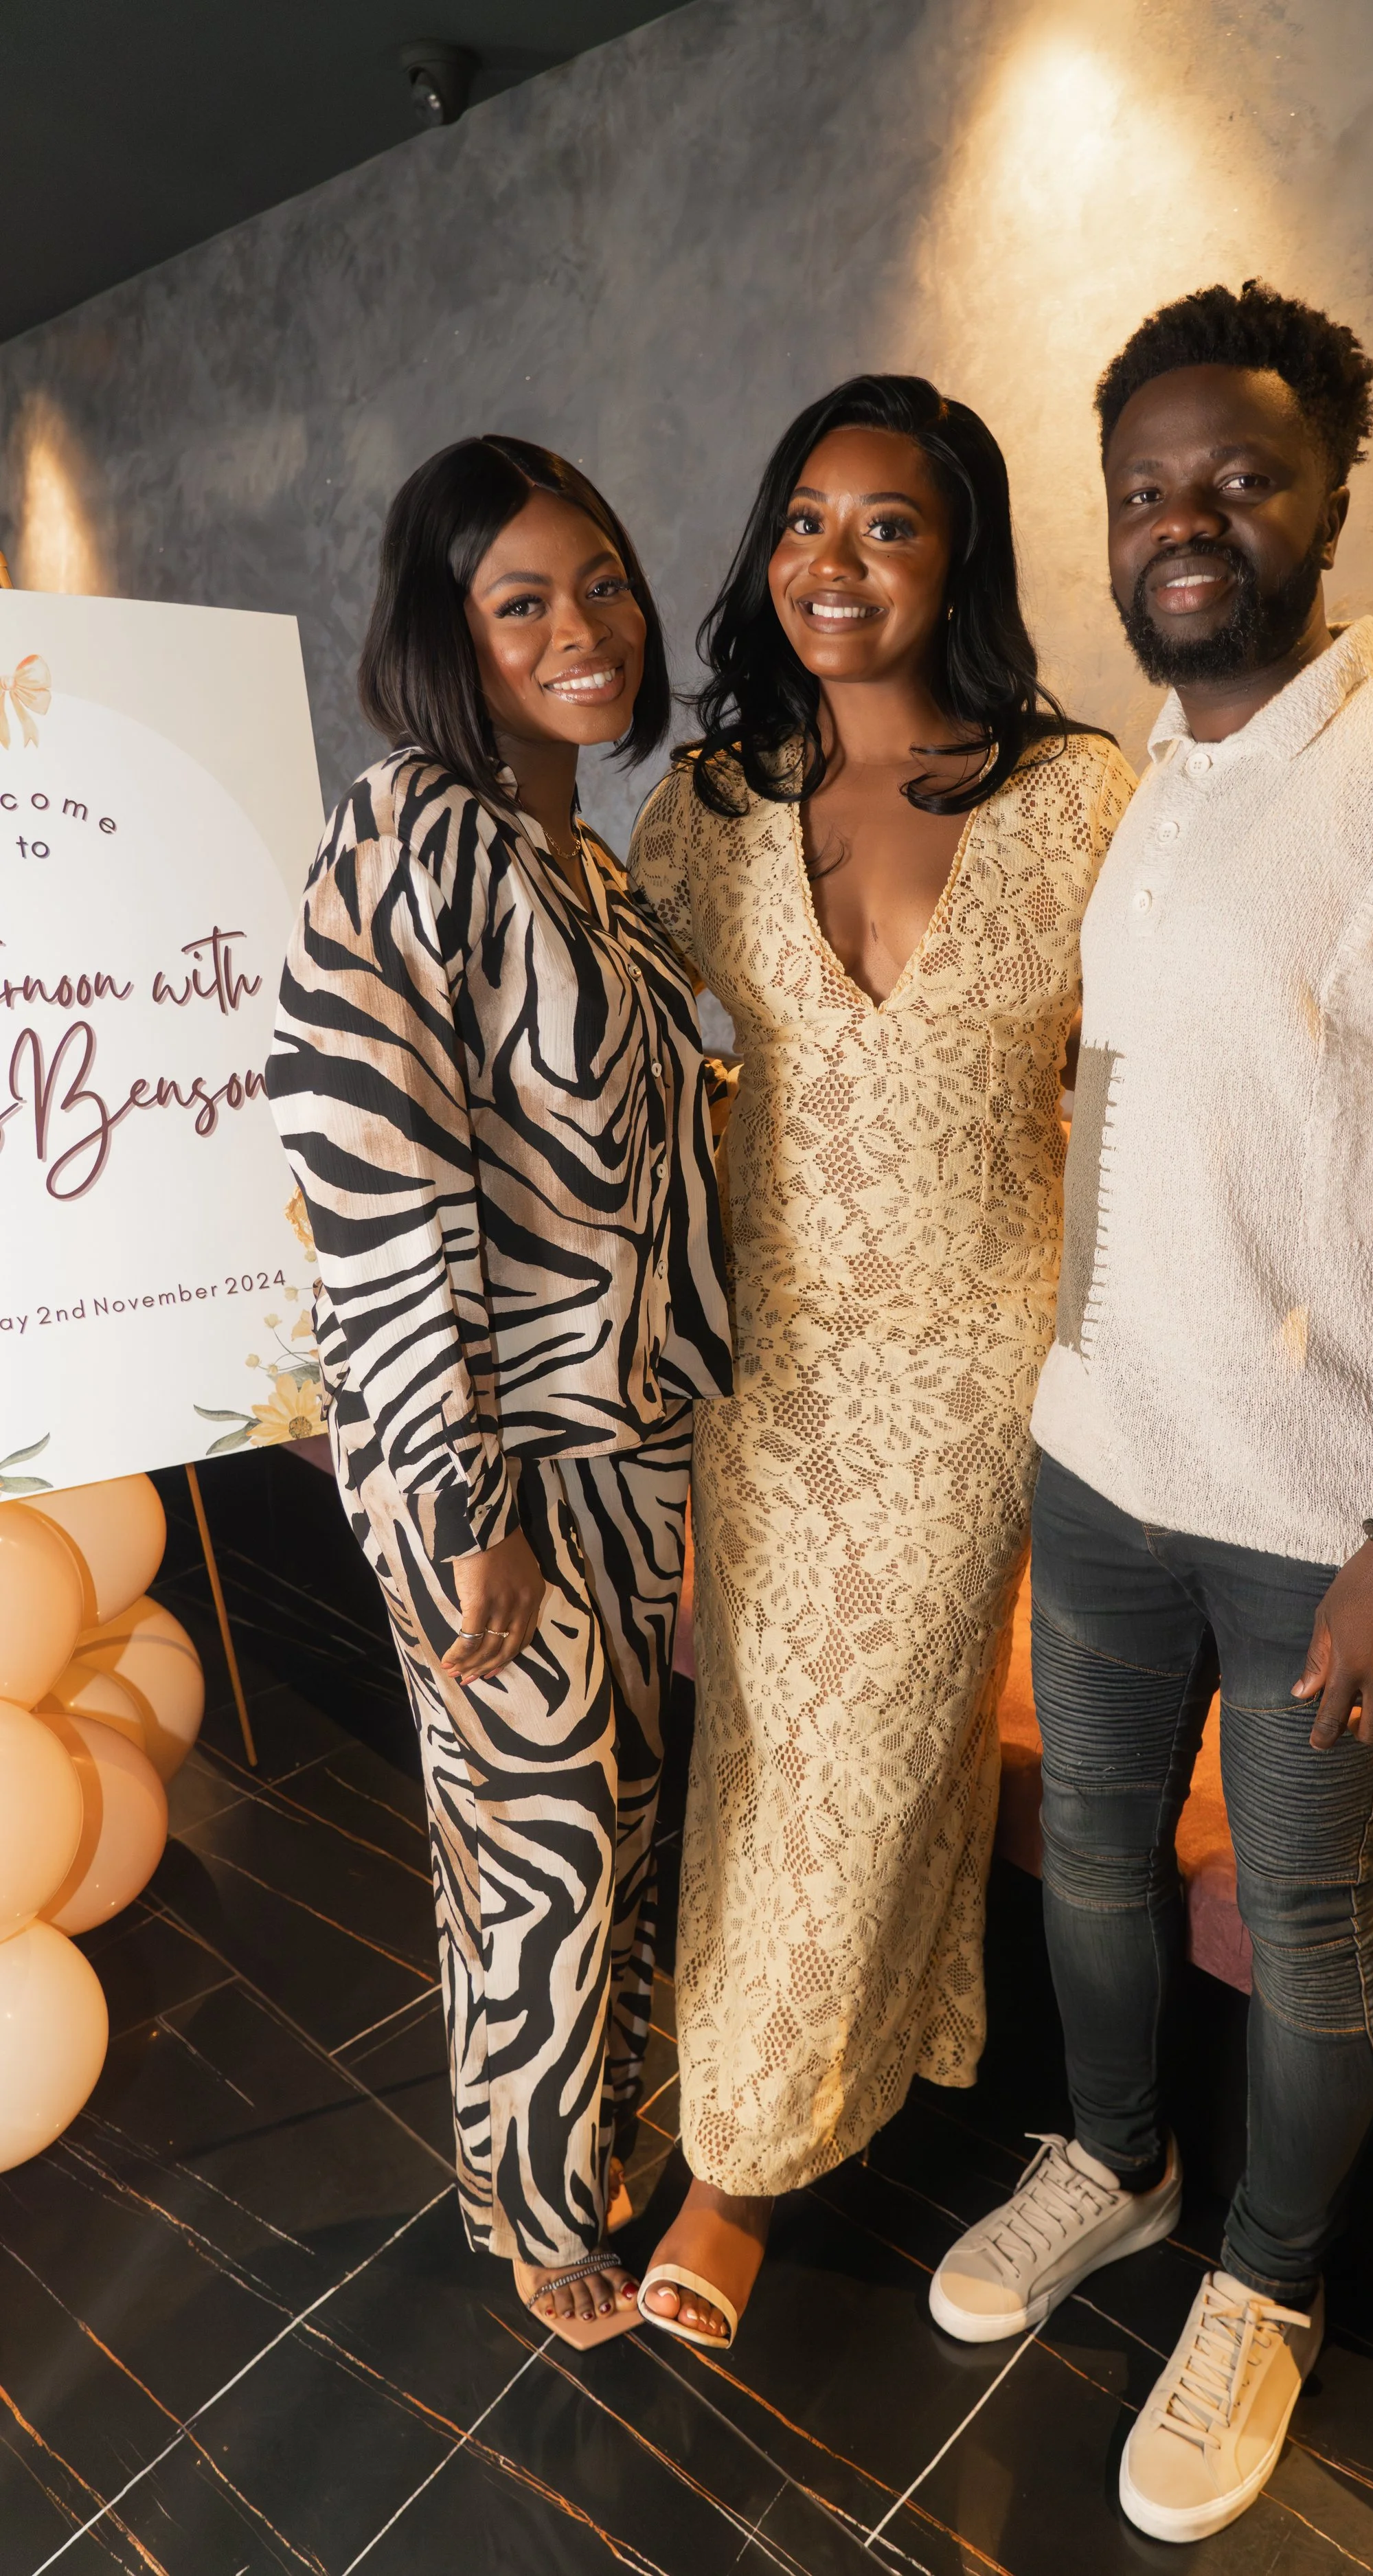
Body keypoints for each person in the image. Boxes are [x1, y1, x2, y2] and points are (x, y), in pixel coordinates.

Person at [929, 284, 1373, 2543]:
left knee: (1306, 1917)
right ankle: (1113, 2161)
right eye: (1144, 489)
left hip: (1321, 1518)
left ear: (1328, 498)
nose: (1183, 520)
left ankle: (1266, 2281)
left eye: (1238, 479)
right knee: (1096, 1855)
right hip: (1104, 1456)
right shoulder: (1151, 789)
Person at [625, 374, 1134, 2348]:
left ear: (959, 558)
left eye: (889, 525)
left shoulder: (1073, 797)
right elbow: (604, 1048)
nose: (835, 563)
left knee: (867, 1752)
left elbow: (1166, 1082)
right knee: (766, 1750)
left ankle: (738, 2170)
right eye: (804, 521)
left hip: (971, 1379)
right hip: (762, 1371)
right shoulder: (711, 806)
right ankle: (790, 2064)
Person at [266, 436, 731, 2350]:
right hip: (481, 1464)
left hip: (624, 1445)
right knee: (536, 1843)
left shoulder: (587, 868)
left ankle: (593, 2129)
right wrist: (460, 1510)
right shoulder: (408, 835)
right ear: (441, 632)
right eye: (520, 599)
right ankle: (529, 2205)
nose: (581, 627)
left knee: (618, 1813)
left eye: (603, 582)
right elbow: (372, 1190)